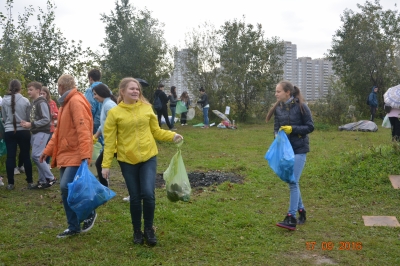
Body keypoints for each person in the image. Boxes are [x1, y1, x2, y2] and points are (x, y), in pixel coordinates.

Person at [101, 78, 183, 246]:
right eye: (132, 89)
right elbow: (110, 142)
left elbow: (156, 131)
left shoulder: (147, 109)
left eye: (137, 89)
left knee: (148, 193)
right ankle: (137, 231)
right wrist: (105, 165)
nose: (136, 91)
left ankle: (149, 230)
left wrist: (172, 136)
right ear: (122, 92)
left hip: (148, 157)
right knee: (136, 197)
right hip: (127, 160)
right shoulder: (114, 113)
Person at [39, 74, 95, 238]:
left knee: (65, 186)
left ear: (62, 86)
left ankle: (89, 211)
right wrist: (47, 151)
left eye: (58, 87)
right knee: (66, 191)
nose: (57, 90)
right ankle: (73, 226)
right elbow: (58, 133)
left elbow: (83, 129)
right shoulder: (65, 104)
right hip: (67, 153)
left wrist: (85, 154)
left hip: (76, 153)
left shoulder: (76, 101)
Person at [265, 80, 314, 230]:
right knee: (292, 181)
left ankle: (291, 217)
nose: (276, 94)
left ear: (288, 92)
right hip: (286, 151)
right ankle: (301, 210)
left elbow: (310, 127)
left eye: (278, 91)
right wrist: (277, 138)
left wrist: (292, 129)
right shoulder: (278, 109)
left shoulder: (301, 107)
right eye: (276, 91)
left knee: (293, 182)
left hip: (299, 149)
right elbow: (276, 128)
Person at [20, 82, 56, 189]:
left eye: (31, 89)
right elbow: (34, 118)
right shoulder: (34, 102)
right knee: (38, 156)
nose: (28, 92)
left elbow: (46, 119)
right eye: (28, 89)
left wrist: (31, 124)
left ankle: (50, 178)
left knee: (36, 156)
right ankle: (42, 181)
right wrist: (27, 124)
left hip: (42, 132)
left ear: (38, 91)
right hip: (35, 132)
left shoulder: (41, 102)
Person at [1, 79, 34, 190]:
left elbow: (5, 118)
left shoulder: (4, 100)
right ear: (20, 88)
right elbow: (28, 117)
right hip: (23, 130)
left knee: (11, 156)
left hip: (9, 131)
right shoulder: (25, 101)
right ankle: (30, 181)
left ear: (10, 88)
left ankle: (10, 183)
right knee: (25, 156)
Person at [92, 84, 117, 187]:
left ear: (101, 93)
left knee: (128, 169)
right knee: (99, 164)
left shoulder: (109, 105)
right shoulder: (105, 104)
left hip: (116, 143)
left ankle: (104, 189)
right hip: (112, 143)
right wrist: (95, 137)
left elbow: (117, 123)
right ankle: (104, 188)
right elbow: (103, 125)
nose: (94, 97)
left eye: (95, 94)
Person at [40, 86, 58, 168]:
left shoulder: (52, 103)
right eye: (41, 94)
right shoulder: (38, 103)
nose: (42, 95)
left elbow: (57, 114)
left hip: (50, 128)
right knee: (42, 147)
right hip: (41, 128)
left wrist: (51, 115)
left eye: (43, 93)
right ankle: (42, 162)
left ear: (47, 94)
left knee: (48, 146)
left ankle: (47, 163)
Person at [84, 69, 103, 138]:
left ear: (90, 78)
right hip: (106, 122)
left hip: (95, 125)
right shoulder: (107, 89)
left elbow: (89, 108)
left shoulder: (91, 90)